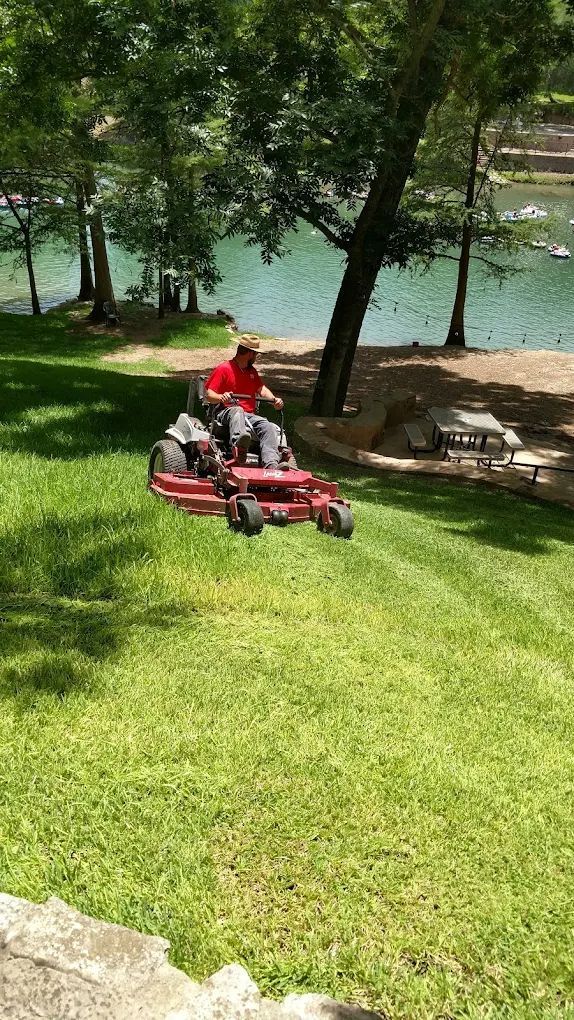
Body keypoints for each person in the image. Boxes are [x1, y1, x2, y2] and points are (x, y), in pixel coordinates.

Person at [205, 335, 290, 469]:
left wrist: (274, 400)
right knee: (237, 410)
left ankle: (271, 465)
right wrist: (222, 397)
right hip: (225, 412)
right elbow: (209, 395)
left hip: (248, 416)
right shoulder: (224, 368)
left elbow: (262, 389)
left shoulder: (252, 372)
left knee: (267, 425)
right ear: (250, 353)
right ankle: (239, 446)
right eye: (256, 354)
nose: (256, 357)